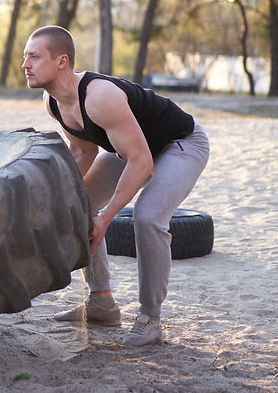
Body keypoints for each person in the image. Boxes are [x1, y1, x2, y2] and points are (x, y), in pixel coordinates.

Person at [21, 26, 210, 346]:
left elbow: (142, 162)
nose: (25, 64)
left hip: (180, 144)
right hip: (131, 149)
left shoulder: (99, 96)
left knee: (148, 217)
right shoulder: (53, 101)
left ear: (62, 61)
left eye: (34, 57)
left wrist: (106, 217)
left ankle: (150, 318)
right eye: (25, 56)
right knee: (77, 203)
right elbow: (83, 150)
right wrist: (59, 198)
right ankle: (102, 301)